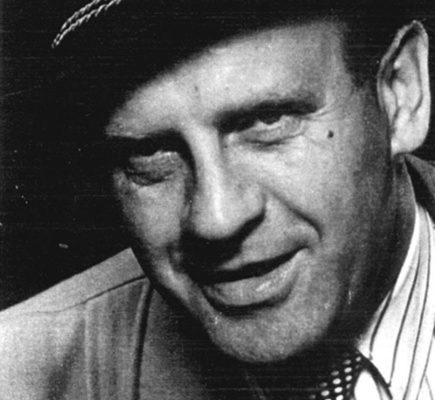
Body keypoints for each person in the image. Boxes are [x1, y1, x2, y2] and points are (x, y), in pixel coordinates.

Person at [0, 0, 433, 399]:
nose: (215, 219)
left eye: (267, 120)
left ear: (400, 93)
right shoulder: (19, 376)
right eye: (151, 152)